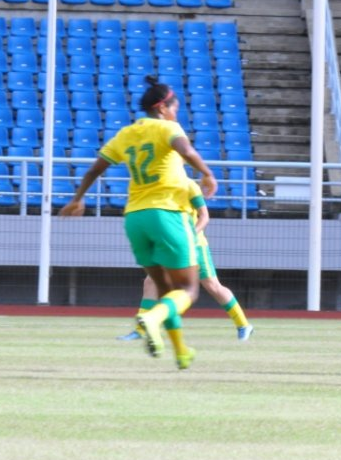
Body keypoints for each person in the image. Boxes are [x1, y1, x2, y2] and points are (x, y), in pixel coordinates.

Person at [60, 76, 218, 370]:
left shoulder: (127, 133)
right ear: (163, 108)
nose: (176, 113)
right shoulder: (168, 128)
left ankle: (181, 351)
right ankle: (150, 320)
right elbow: (187, 151)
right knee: (187, 290)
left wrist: (78, 198)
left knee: (165, 291)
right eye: (175, 107)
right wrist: (207, 173)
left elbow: (95, 169)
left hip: (135, 218)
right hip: (167, 214)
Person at [117, 179, 254, 343]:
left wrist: (191, 236)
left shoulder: (189, 186)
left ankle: (243, 325)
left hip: (195, 246)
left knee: (212, 285)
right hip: (170, 245)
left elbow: (204, 216)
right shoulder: (157, 187)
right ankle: (141, 330)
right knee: (151, 282)